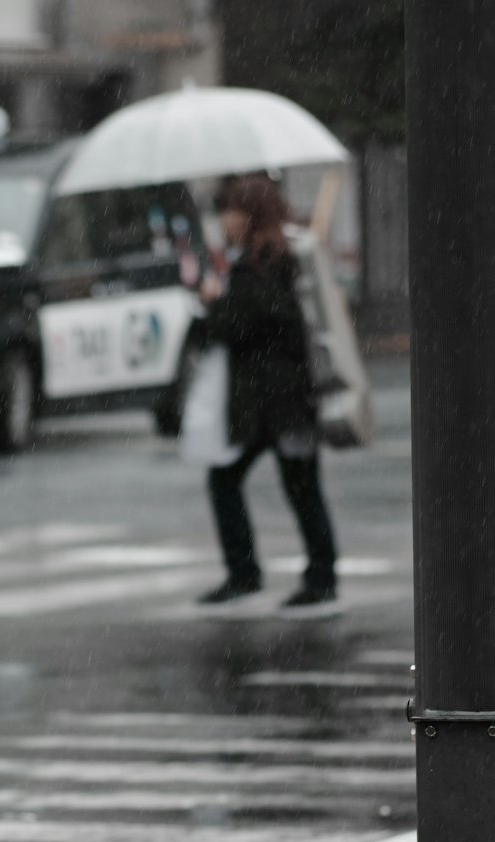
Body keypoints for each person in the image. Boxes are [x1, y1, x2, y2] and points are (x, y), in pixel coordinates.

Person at [197, 174, 340, 607]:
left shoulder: (258, 265)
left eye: (231, 211)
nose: (224, 220)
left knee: (239, 481)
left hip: (275, 402)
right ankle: (311, 575)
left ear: (249, 215)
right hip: (285, 399)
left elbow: (238, 327)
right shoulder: (277, 258)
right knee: (296, 487)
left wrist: (212, 302)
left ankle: (270, 575)